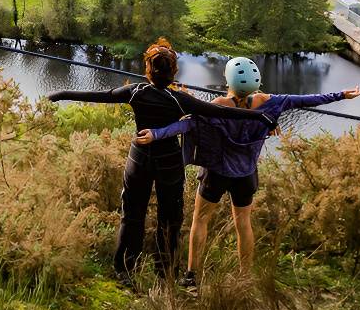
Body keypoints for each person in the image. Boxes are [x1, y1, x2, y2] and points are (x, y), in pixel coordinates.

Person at [47, 40, 272, 280]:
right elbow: (221, 111)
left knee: (132, 213)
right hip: (169, 162)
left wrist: (61, 93)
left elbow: (100, 95)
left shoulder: (135, 91)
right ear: (174, 72)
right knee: (170, 219)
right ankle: (165, 273)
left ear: (148, 69)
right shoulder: (180, 100)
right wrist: (261, 118)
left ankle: (125, 271)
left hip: (139, 159)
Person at [134, 56, 360, 288]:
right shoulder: (270, 103)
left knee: (200, 220)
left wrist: (156, 133)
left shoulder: (218, 105)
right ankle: (244, 277)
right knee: (243, 223)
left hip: (216, 173)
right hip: (246, 174)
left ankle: (192, 276)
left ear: (228, 79)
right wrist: (341, 94)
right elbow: (307, 100)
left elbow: (188, 124)